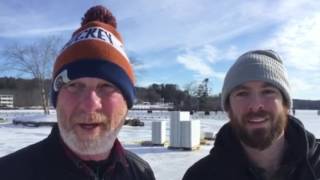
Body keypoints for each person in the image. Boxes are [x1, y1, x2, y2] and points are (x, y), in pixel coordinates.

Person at [0, 5, 155, 180]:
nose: (90, 105)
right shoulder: (8, 173)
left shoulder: (141, 173)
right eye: (74, 85)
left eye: (106, 86)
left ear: (127, 102)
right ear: (57, 99)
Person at [183, 50, 320, 180]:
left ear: (285, 104)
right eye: (242, 93)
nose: (255, 105)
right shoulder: (200, 176)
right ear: (229, 107)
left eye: (267, 91)